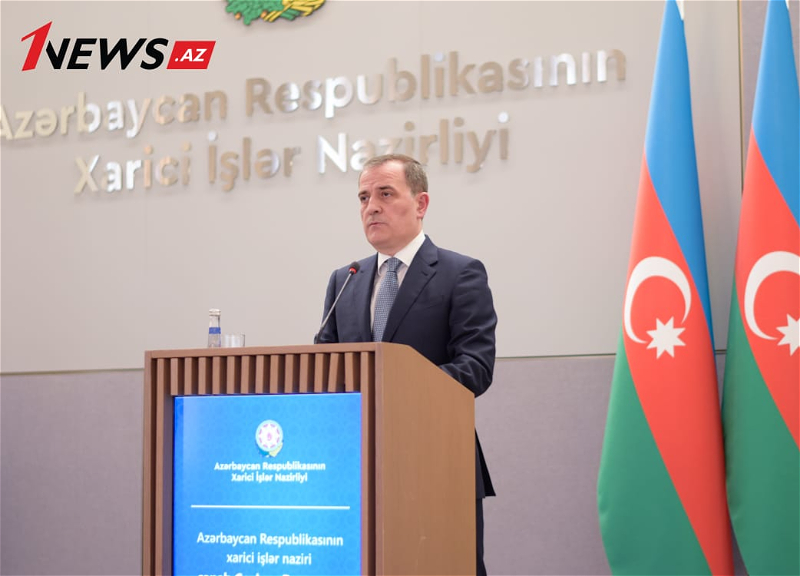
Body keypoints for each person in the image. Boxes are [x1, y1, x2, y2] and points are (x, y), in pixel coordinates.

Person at [316, 154, 497, 576]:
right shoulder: (345, 279)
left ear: (421, 203)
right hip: (356, 467)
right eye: (364, 198)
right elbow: (325, 367)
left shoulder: (460, 273)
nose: (371, 207)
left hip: (436, 462)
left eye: (385, 194)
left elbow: (475, 367)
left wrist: (398, 388)